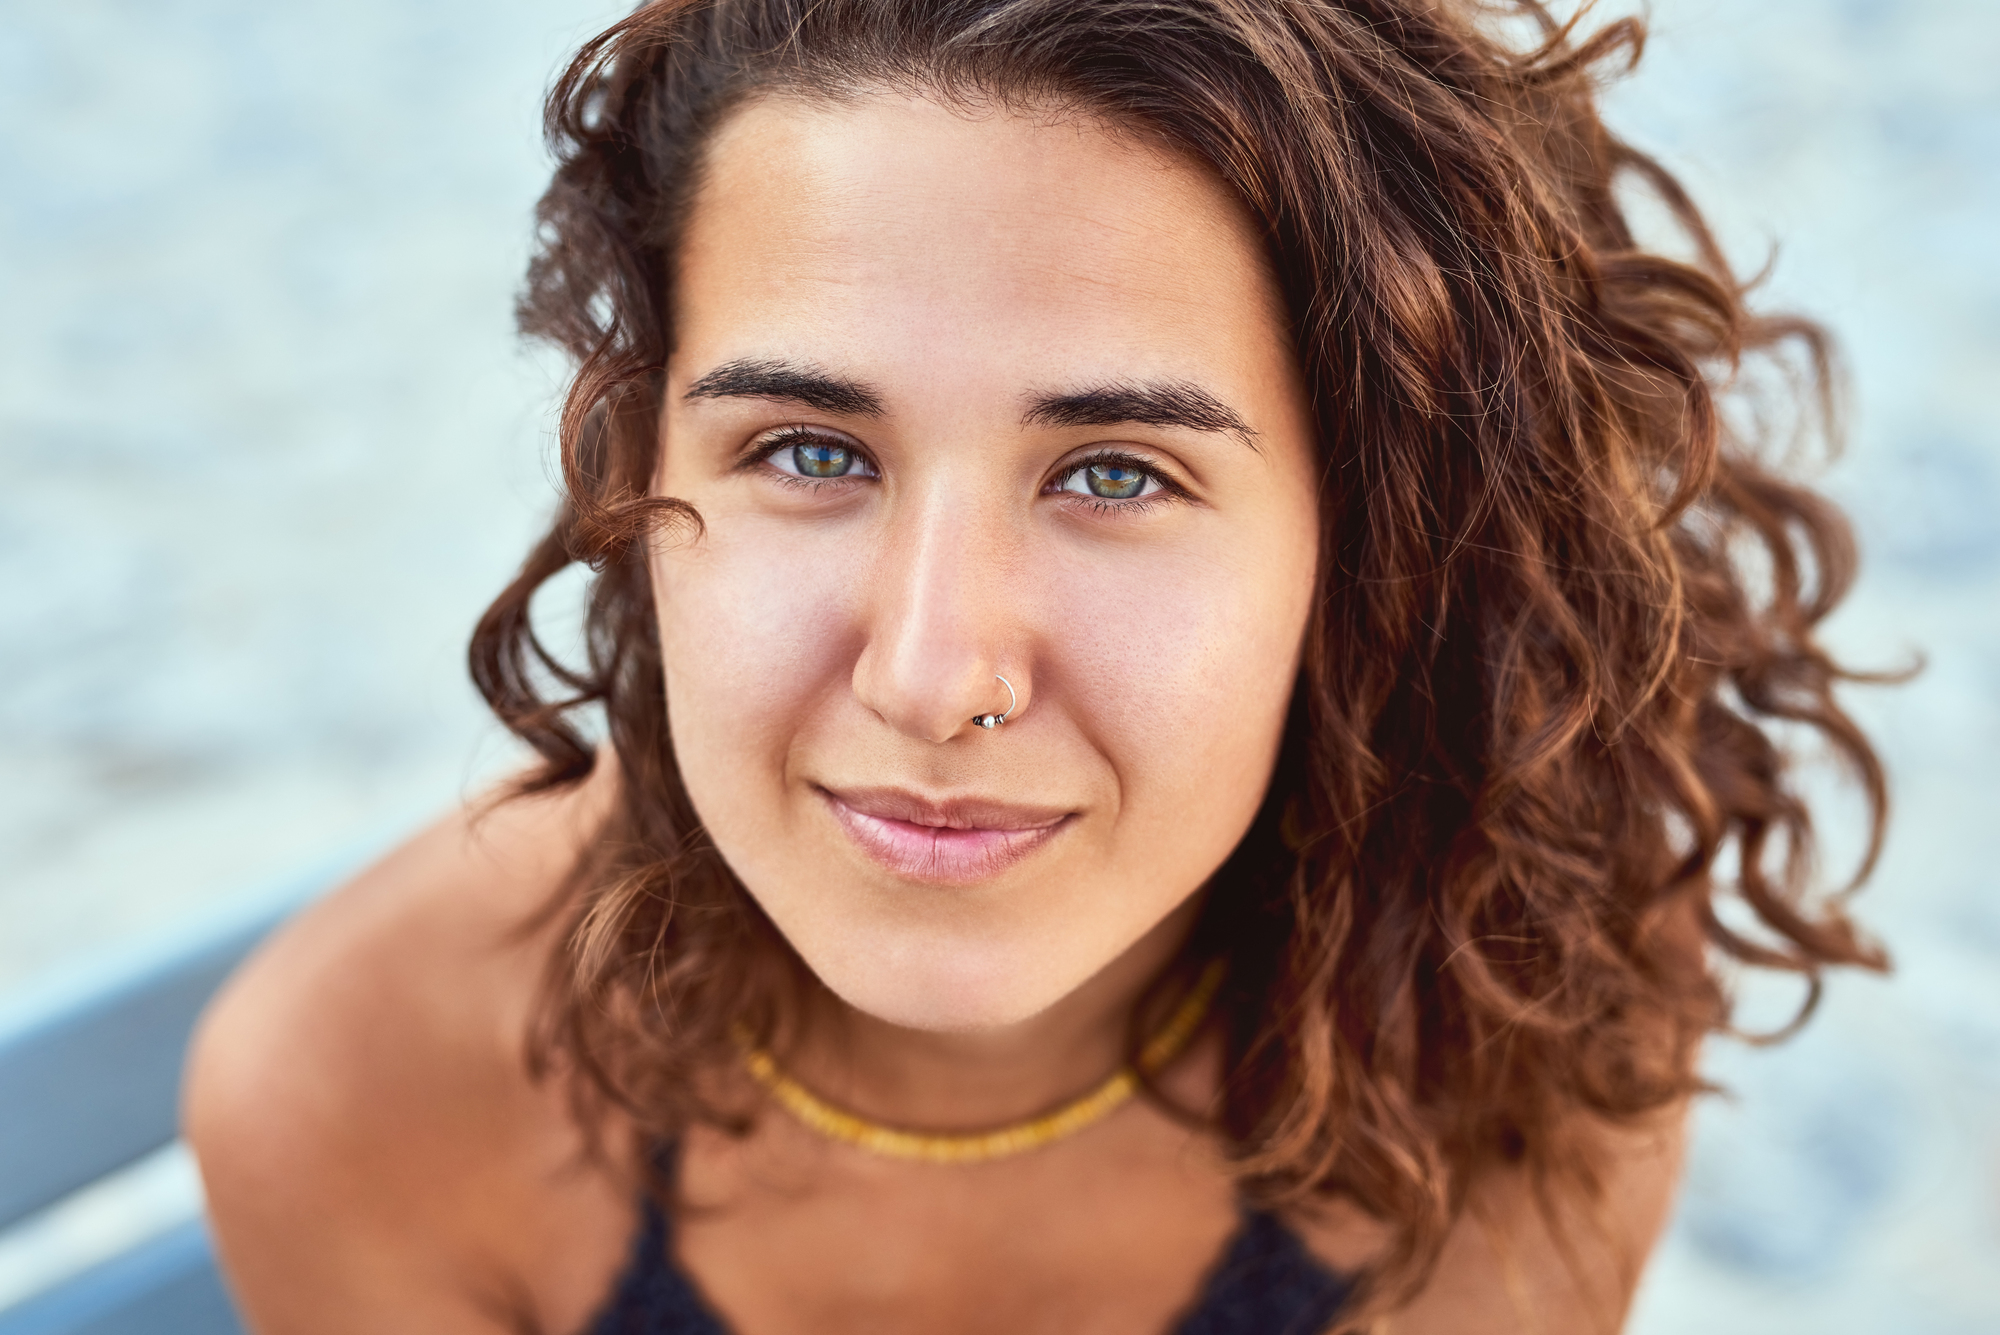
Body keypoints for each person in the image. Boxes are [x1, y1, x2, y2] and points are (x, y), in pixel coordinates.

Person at [184, 1, 1891, 1331]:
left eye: (1116, 474)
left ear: (1374, 540)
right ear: (640, 472)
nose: (934, 679)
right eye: (809, 451)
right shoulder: (367, 1089)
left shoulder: (1526, 973)